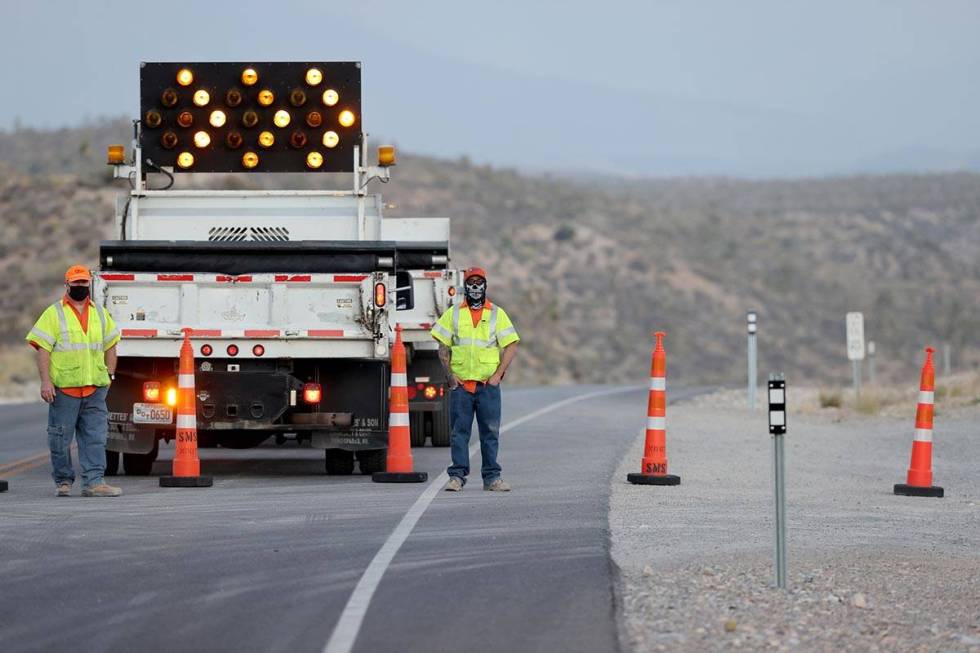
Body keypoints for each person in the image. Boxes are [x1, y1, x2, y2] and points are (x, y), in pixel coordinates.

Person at [26, 265, 122, 497]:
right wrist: (46, 382)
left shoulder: (100, 313)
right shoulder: (53, 313)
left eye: (84, 283)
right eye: (76, 283)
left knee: (96, 439)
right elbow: (43, 349)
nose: (80, 287)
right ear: (67, 285)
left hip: (95, 389)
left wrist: (109, 375)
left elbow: (111, 345)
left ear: (89, 284)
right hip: (64, 390)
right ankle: (63, 481)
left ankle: (94, 482)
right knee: (59, 439)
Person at [430, 267, 520, 491]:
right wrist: (451, 377)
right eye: (471, 282)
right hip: (461, 388)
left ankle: (492, 478)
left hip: (487, 387)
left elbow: (511, 344)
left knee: (490, 433)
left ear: (485, 286)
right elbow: (442, 345)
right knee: (459, 433)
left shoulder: (496, 314)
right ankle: (457, 477)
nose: (476, 287)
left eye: (480, 282)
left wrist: (498, 375)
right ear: (466, 287)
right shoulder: (455, 313)